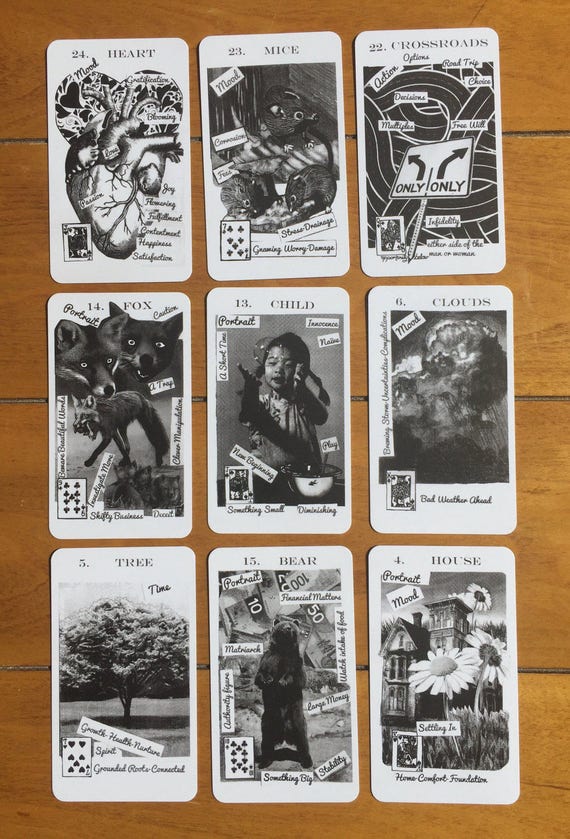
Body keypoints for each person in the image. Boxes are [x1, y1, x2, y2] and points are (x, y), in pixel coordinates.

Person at [238, 333, 329, 474]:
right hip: (265, 479)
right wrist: (251, 390)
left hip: (302, 479)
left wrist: (302, 388)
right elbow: (249, 412)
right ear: (264, 368)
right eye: (272, 363)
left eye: (288, 365)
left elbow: (321, 417)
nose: (279, 369)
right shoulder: (262, 403)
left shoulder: (302, 404)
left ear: (300, 369)